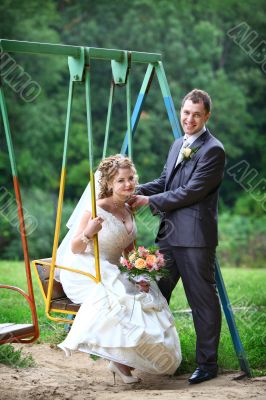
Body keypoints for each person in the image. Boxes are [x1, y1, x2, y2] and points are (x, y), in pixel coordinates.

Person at [56, 154, 182, 384]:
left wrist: (140, 272)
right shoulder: (95, 209)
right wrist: (88, 232)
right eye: (121, 180)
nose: (128, 184)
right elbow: (75, 248)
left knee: (144, 294)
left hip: (112, 267)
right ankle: (121, 362)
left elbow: (129, 254)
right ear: (109, 184)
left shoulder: (128, 208)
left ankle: (124, 361)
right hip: (86, 268)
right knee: (119, 300)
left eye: (131, 178)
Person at [130, 89, 225, 384]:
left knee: (203, 302)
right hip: (169, 237)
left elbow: (192, 191)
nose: (189, 119)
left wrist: (148, 203)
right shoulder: (176, 145)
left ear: (206, 116)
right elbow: (165, 182)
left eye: (196, 114)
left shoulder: (213, 150)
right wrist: (134, 191)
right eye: (186, 112)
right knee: (155, 294)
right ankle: (156, 356)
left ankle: (207, 364)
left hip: (195, 239)